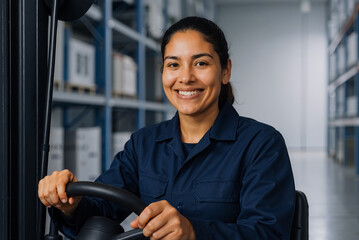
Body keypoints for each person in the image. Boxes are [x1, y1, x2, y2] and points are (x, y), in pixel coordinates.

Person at [38, 16, 296, 240]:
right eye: (173, 64)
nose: (185, 77)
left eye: (201, 63)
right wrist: (69, 203)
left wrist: (194, 232)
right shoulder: (144, 144)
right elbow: (99, 213)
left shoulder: (261, 144)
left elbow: (268, 233)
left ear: (225, 71)